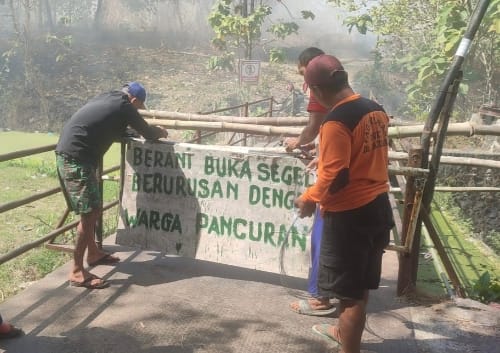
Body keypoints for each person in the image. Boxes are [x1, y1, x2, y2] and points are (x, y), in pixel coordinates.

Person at [294, 55, 394, 353]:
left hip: (349, 216)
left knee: (348, 296)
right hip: (378, 206)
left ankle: (348, 348)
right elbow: (358, 157)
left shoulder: (336, 120)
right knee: (359, 287)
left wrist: (309, 198)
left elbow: (334, 176)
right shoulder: (375, 109)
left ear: (316, 89)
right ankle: (342, 332)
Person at [56, 82, 168, 289]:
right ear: (134, 100)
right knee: (90, 213)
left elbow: (108, 126)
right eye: (139, 106)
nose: (137, 110)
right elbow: (148, 133)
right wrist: (160, 132)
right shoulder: (124, 106)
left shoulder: (108, 97)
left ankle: (94, 253)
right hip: (76, 160)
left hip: (75, 156)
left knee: (92, 210)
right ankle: (77, 271)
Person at [285, 48, 335, 316]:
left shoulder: (323, 97)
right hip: (365, 197)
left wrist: (309, 197)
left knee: (322, 239)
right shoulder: (364, 109)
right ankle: (336, 295)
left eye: (305, 75)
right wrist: (323, 156)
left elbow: (315, 126)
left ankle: (320, 298)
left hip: (337, 195)